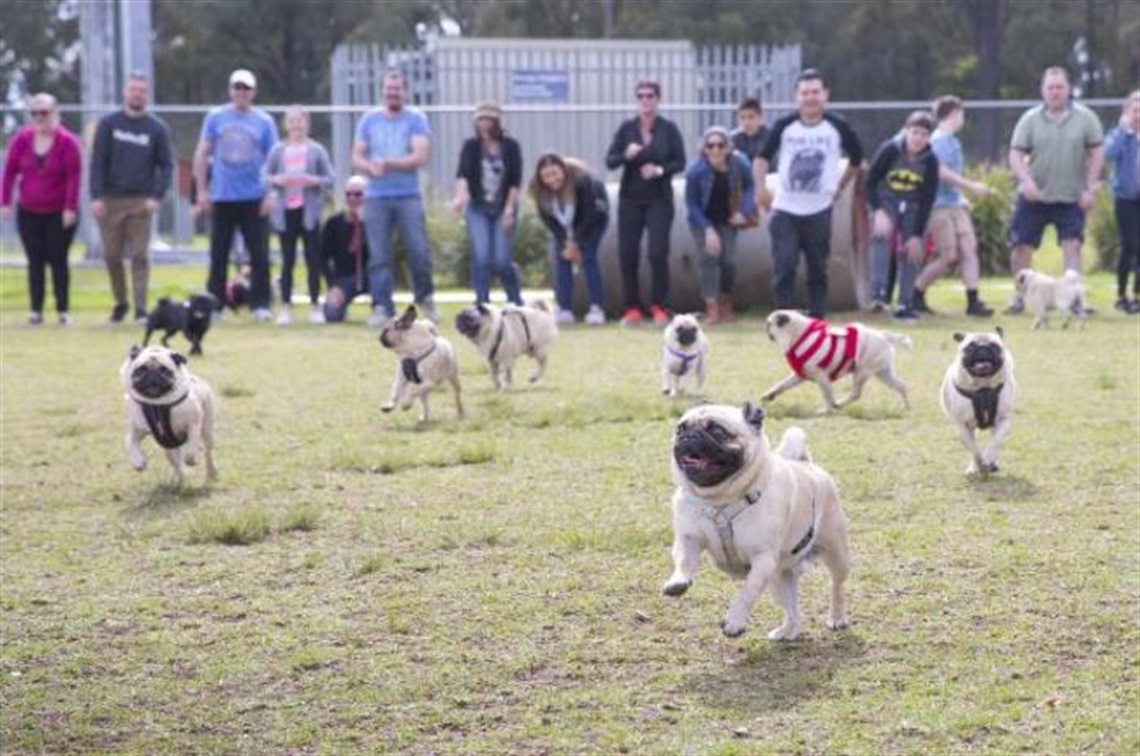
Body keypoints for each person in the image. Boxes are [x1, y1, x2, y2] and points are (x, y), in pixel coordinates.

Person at [756, 69, 864, 319]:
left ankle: (816, 320)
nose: (810, 98)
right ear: (797, 96)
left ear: (825, 94)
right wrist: (760, 189)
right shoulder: (785, 126)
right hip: (785, 208)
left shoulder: (837, 126)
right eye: (805, 93)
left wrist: (840, 186)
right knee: (784, 264)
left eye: (815, 92)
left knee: (818, 268)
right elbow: (761, 159)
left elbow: (857, 159)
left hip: (819, 209)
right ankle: (783, 318)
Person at [1006, 66, 1104, 314]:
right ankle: (1019, 298)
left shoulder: (1086, 118)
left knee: (1072, 247)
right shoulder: (1029, 119)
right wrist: (1026, 181)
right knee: (1022, 248)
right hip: (1034, 197)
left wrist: (1090, 188)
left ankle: (1075, 300)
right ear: (1043, 90)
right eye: (1050, 87)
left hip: (1071, 196)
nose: (1055, 92)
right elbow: (1016, 154)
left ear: (1068, 89)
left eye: (1060, 87)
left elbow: (1096, 153)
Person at [351, 70, 437, 326]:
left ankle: (424, 300)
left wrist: (387, 163)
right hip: (376, 196)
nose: (393, 93)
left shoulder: (417, 119)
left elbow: (420, 156)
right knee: (378, 256)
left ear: (405, 91)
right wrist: (369, 167)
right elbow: (356, 157)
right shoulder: (368, 121)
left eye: (397, 89)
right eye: (389, 88)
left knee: (418, 251)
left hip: (408, 196)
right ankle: (382, 307)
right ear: (383, 90)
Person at [193, 68, 279, 322]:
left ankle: (260, 304)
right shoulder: (215, 117)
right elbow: (201, 153)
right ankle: (215, 305)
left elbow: (273, 160)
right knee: (218, 254)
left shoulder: (264, 121)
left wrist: (270, 194)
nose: (241, 93)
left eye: (246, 88)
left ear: (253, 92)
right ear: (231, 90)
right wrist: (201, 191)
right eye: (237, 88)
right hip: (222, 196)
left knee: (260, 254)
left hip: (254, 196)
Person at [89, 73, 173, 325]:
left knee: (139, 255)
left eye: (142, 91)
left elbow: (167, 165)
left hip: (140, 201)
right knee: (112, 255)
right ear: (126, 92)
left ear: (147, 95)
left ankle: (140, 308)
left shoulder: (156, 128)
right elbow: (98, 162)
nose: (137, 94)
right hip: (112, 200)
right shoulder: (109, 124)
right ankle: (120, 303)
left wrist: (156, 197)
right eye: (133, 89)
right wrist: (97, 196)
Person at [604, 79, 686, 326]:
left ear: (658, 99)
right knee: (628, 253)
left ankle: (660, 306)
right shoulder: (627, 129)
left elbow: (680, 162)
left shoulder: (668, 129)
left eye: (650, 96)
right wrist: (625, 155)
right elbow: (610, 161)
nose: (645, 100)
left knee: (657, 252)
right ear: (636, 100)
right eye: (641, 96)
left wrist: (659, 170)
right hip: (630, 199)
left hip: (659, 199)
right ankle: (632, 308)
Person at [1, 93, 82, 326]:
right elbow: (9, 172)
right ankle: (35, 310)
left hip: (58, 212)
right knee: (34, 260)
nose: (39, 117)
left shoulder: (67, 142)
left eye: (44, 112)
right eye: (34, 112)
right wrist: (4, 201)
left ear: (55, 114)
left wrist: (70, 208)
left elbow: (73, 178)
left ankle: (63, 310)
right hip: (29, 211)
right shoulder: (22, 140)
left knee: (58, 259)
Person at [911, 95, 994, 317]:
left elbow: (952, 175)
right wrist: (971, 187)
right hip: (938, 206)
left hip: (954, 204)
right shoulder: (937, 140)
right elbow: (940, 172)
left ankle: (973, 301)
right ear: (953, 114)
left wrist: (961, 197)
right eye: (961, 114)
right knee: (948, 256)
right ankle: (915, 293)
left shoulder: (954, 142)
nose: (963, 119)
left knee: (969, 247)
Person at [865, 111, 940, 321]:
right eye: (915, 132)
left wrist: (916, 234)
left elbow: (927, 198)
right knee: (881, 235)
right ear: (906, 131)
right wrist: (877, 209)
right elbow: (870, 181)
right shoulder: (890, 150)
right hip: (888, 199)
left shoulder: (930, 161)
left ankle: (905, 302)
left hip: (914, 204)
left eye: (924, 135)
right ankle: (878, 294)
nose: (918, 139)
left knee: (913, 249)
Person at [264, 105, 335, 325]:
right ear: (286, 124)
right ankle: (286, 306)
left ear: (307, 123)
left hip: (310, 212)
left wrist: (312, 181)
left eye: (300, 120)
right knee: (287, 259)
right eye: (292, 120)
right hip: (286, 213)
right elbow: (265, 175)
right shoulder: (278, 150)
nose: (296, 125)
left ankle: (315, 305)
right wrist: (278, 181)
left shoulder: (316, 150)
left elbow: (330, 178)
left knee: (313, 260)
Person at [450, 102, 523, 307]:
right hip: (478, 208)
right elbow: (463, 174)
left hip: (503, 206)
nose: (484, 123)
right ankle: (482, 303)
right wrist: (459, 197)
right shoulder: (471, 146)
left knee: (501, 260)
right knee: (481, 257)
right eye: (480, 119)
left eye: (488, 119)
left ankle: (515, 301)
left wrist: (509, 211)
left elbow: (515, 182)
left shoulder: (511, 147)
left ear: (497, 122)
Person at [684, 125, 756, 324]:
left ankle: (725, 299)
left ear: (728, 148)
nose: (715, 150)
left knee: (729, 260)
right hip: (702, 220)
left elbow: (750, 187)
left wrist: (743, 211)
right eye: (711, 146)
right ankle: (712, 306)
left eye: (720, 145)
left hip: (728, 218)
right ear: (704, 149)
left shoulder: (739, 163)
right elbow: (692, 204)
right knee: (709, 258)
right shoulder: (695, 171)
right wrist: (707, 230)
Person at [529, 152, 610, 326]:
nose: (551, 180)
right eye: (546, 176)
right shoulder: (539, 191)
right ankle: (564, 309)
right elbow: (548, 220)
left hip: (593, 219)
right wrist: (566, 242)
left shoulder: (583, 182)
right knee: (562, 258)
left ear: (563, 171)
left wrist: (577, 242)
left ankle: (597, 308)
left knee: (588, 257)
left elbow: (591, 214)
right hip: (563, 225)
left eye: (555, 173)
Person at [1103, 90, 1140, 314]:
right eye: (1135, 111)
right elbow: (1109, 154)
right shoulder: (1121, 137)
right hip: (1125, 198)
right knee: (1130, 245)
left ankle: (1137, 295)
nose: (1138, 115)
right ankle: (1121, 295)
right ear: (1126, 113)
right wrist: (1123, 131)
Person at [320, 176, 370, 323]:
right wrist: (332, 285)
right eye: (348, 194)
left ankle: (381, 309)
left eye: (358, 194)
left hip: (372, 276)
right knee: (332, 315)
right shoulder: (333, 223)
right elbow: (322, 257)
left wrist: (364, 223)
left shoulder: (376, 223)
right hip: (344, 279)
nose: (352, 198)